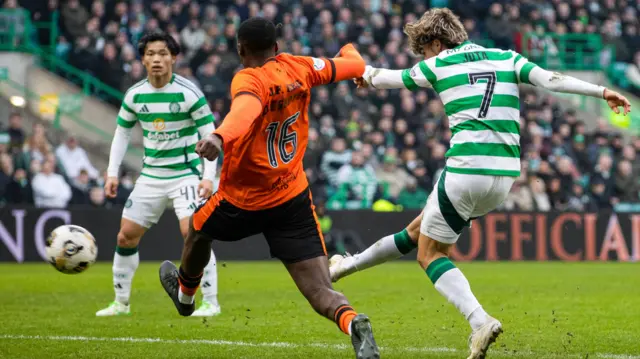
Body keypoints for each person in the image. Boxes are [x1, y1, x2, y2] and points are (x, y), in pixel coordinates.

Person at [328, 8, 631, 359]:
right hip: (503, 179)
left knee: (430, 255)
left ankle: (479, 321)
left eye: (424, 50)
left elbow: (380, 77)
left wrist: (358, 70)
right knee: (416, 232)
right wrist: (603, 91)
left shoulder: (438, 64)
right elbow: (552, 79)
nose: (423, 58)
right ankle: (345, 266)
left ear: (437, 42)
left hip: (465, 170)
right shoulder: (507, 58)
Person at [158, 17, 379, 359]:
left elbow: (246, 111)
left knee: (199, 229)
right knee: (320, 291)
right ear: (276, 47)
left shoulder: (249, 78)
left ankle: (186, 297)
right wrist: (350, 52)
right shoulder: (300, 67)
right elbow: (356, 65)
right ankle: (352, 322)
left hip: (243, 200)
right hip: (291, 199)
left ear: (240, 49)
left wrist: (218, 135)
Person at [97, 31, 221, 317]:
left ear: (174, 58)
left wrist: (208, 177)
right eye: (150, 54)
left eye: (163, 54)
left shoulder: (190, 93)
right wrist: (112, 173)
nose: (156, 59)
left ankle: (211, 302)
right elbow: (121, 134)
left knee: (193, 235)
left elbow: (211, 137)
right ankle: (120, 303)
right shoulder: (135, 94)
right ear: (142, 59)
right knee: (125, 237)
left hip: (186, 174)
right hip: (151, 176)